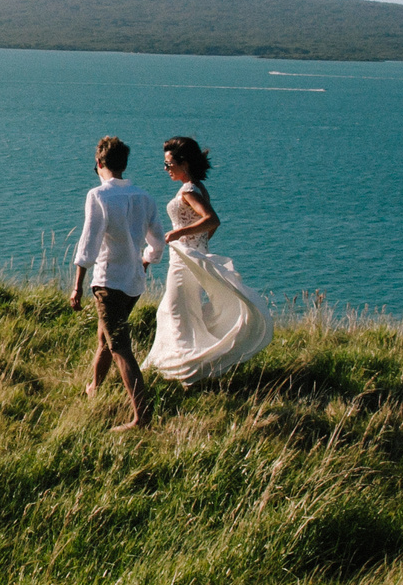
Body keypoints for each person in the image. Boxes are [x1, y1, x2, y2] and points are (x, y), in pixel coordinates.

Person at [145, 135, 274, 382]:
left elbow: (212, 220)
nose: (165, 169)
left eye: (169, 164)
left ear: (184, 163)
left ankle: (186, 373)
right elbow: (207, 227)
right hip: (189, 259)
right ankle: (186, 369)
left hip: (184, 264)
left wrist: (179, 234)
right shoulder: (197, 187)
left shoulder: (189, 190)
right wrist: (199, 244)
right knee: (179, 312)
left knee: (175, 313)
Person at [68, 135, 164, 427]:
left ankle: (141, 417)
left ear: (99, 164)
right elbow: (157, 243)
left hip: (109, 283)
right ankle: (94, 389)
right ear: (123, 164)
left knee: (120, 348)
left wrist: (77, 287)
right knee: (105, 338)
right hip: (134, 283)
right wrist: (145, 261)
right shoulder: (144, 197)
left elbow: (88, 243)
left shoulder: (98, 195)